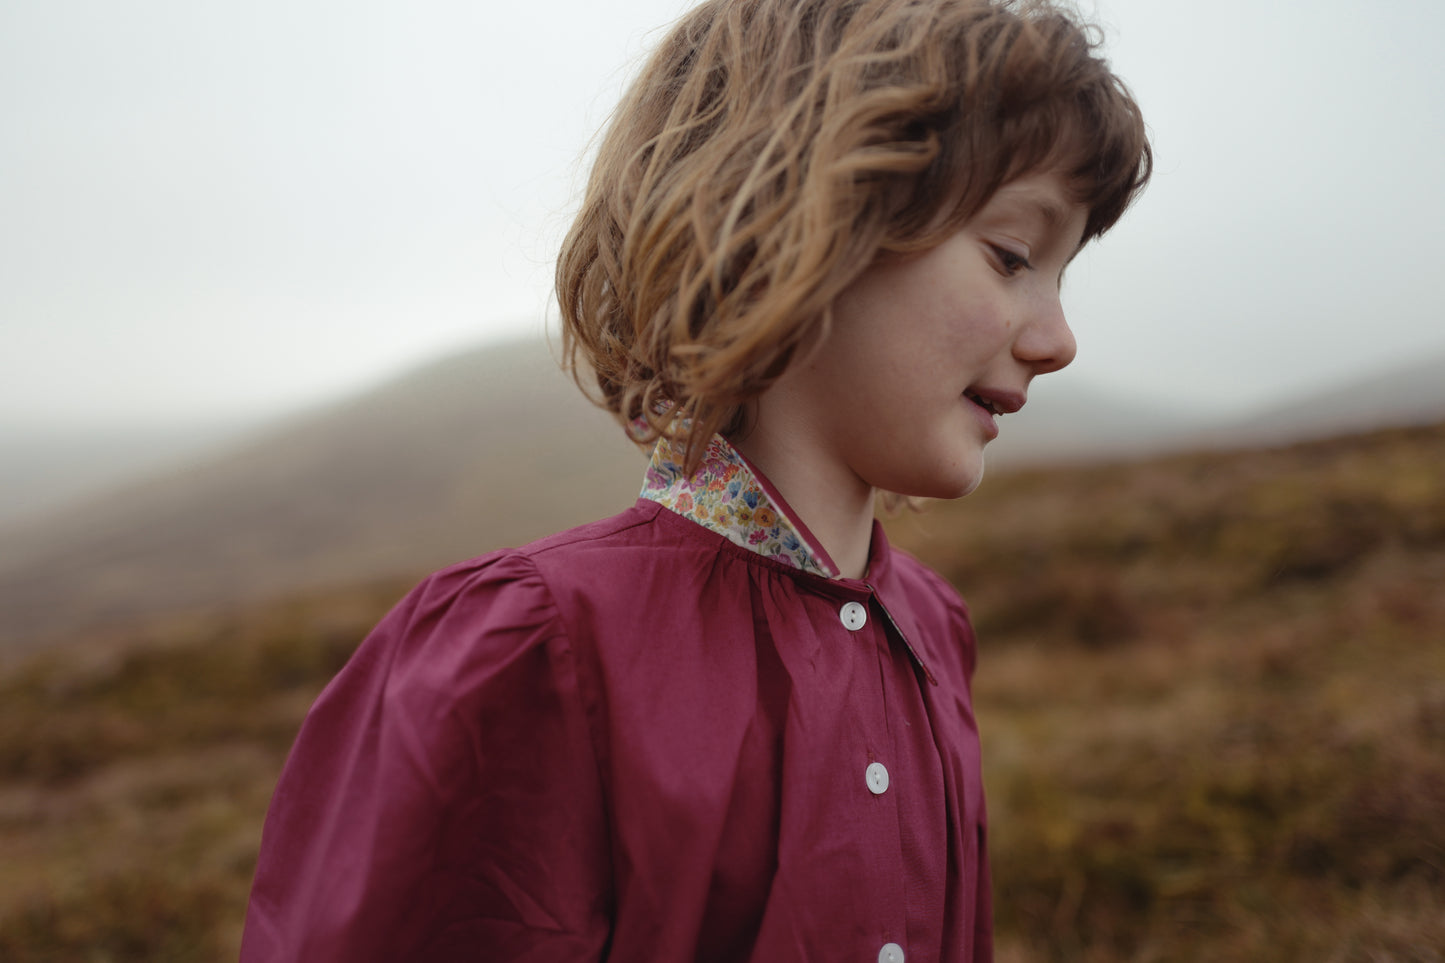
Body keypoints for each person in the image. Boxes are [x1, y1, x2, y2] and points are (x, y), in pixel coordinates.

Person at [240, 0, 1150, 959]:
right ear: (800, 221)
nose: (1056, 340)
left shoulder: (932, 628)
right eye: (1011, 256)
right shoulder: (528, 651)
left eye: (1060, 275)